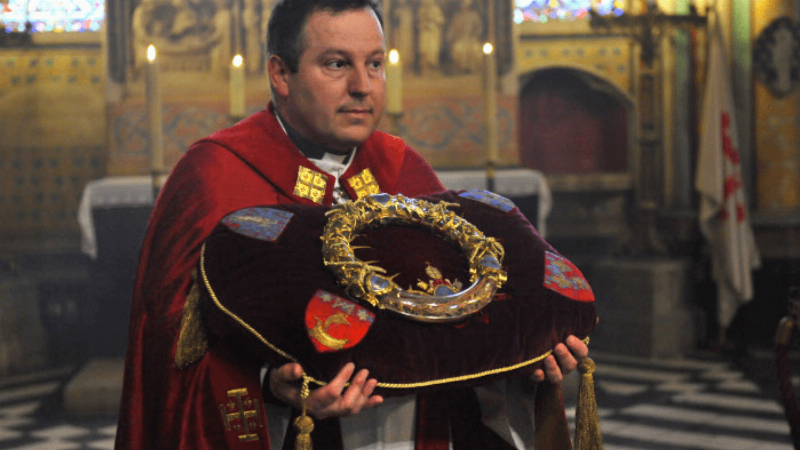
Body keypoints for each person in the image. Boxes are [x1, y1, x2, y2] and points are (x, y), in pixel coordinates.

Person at [114, 0, 589, 448]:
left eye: (376, 63)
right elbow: (172, 355)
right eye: (337, 64)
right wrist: (274, 389)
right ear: (280, 73)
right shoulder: (215, 176)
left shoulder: (406, 171)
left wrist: (525, 361)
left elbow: (466, 328)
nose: (363, 85)